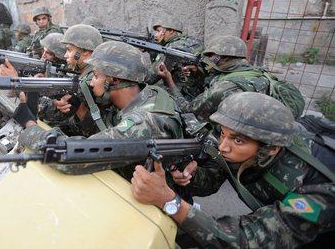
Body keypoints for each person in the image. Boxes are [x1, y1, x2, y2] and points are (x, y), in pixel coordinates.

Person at [131, 92, 334, 248]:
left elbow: (250, 239)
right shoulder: (257, 142)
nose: (223, 147)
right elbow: (211, 182)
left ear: (271, 149)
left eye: (237, 140)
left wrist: (168, 201)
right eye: (222, 134)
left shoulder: (319, 188)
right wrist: (187, 173)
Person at [16, 40, 185, 175]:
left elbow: (69, 157)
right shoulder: (151, 93)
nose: (90, 82)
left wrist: (30, 126)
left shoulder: (141, 124)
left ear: (115, 80)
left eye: (96, 76)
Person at [162, 35, 303, 122]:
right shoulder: (255, 72)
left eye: (210, 55)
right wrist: (200, 74)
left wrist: (169, 81)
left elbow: (188, 110)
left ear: (223, 57)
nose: (205, 59)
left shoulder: (225, 87)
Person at [151, 18, 204, 99]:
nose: (155, 35)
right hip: (197, 93)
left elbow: (153, 76)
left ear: (171, 31)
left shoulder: (173, 47)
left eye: (158, 31)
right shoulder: (190, 41)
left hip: (183, 96)